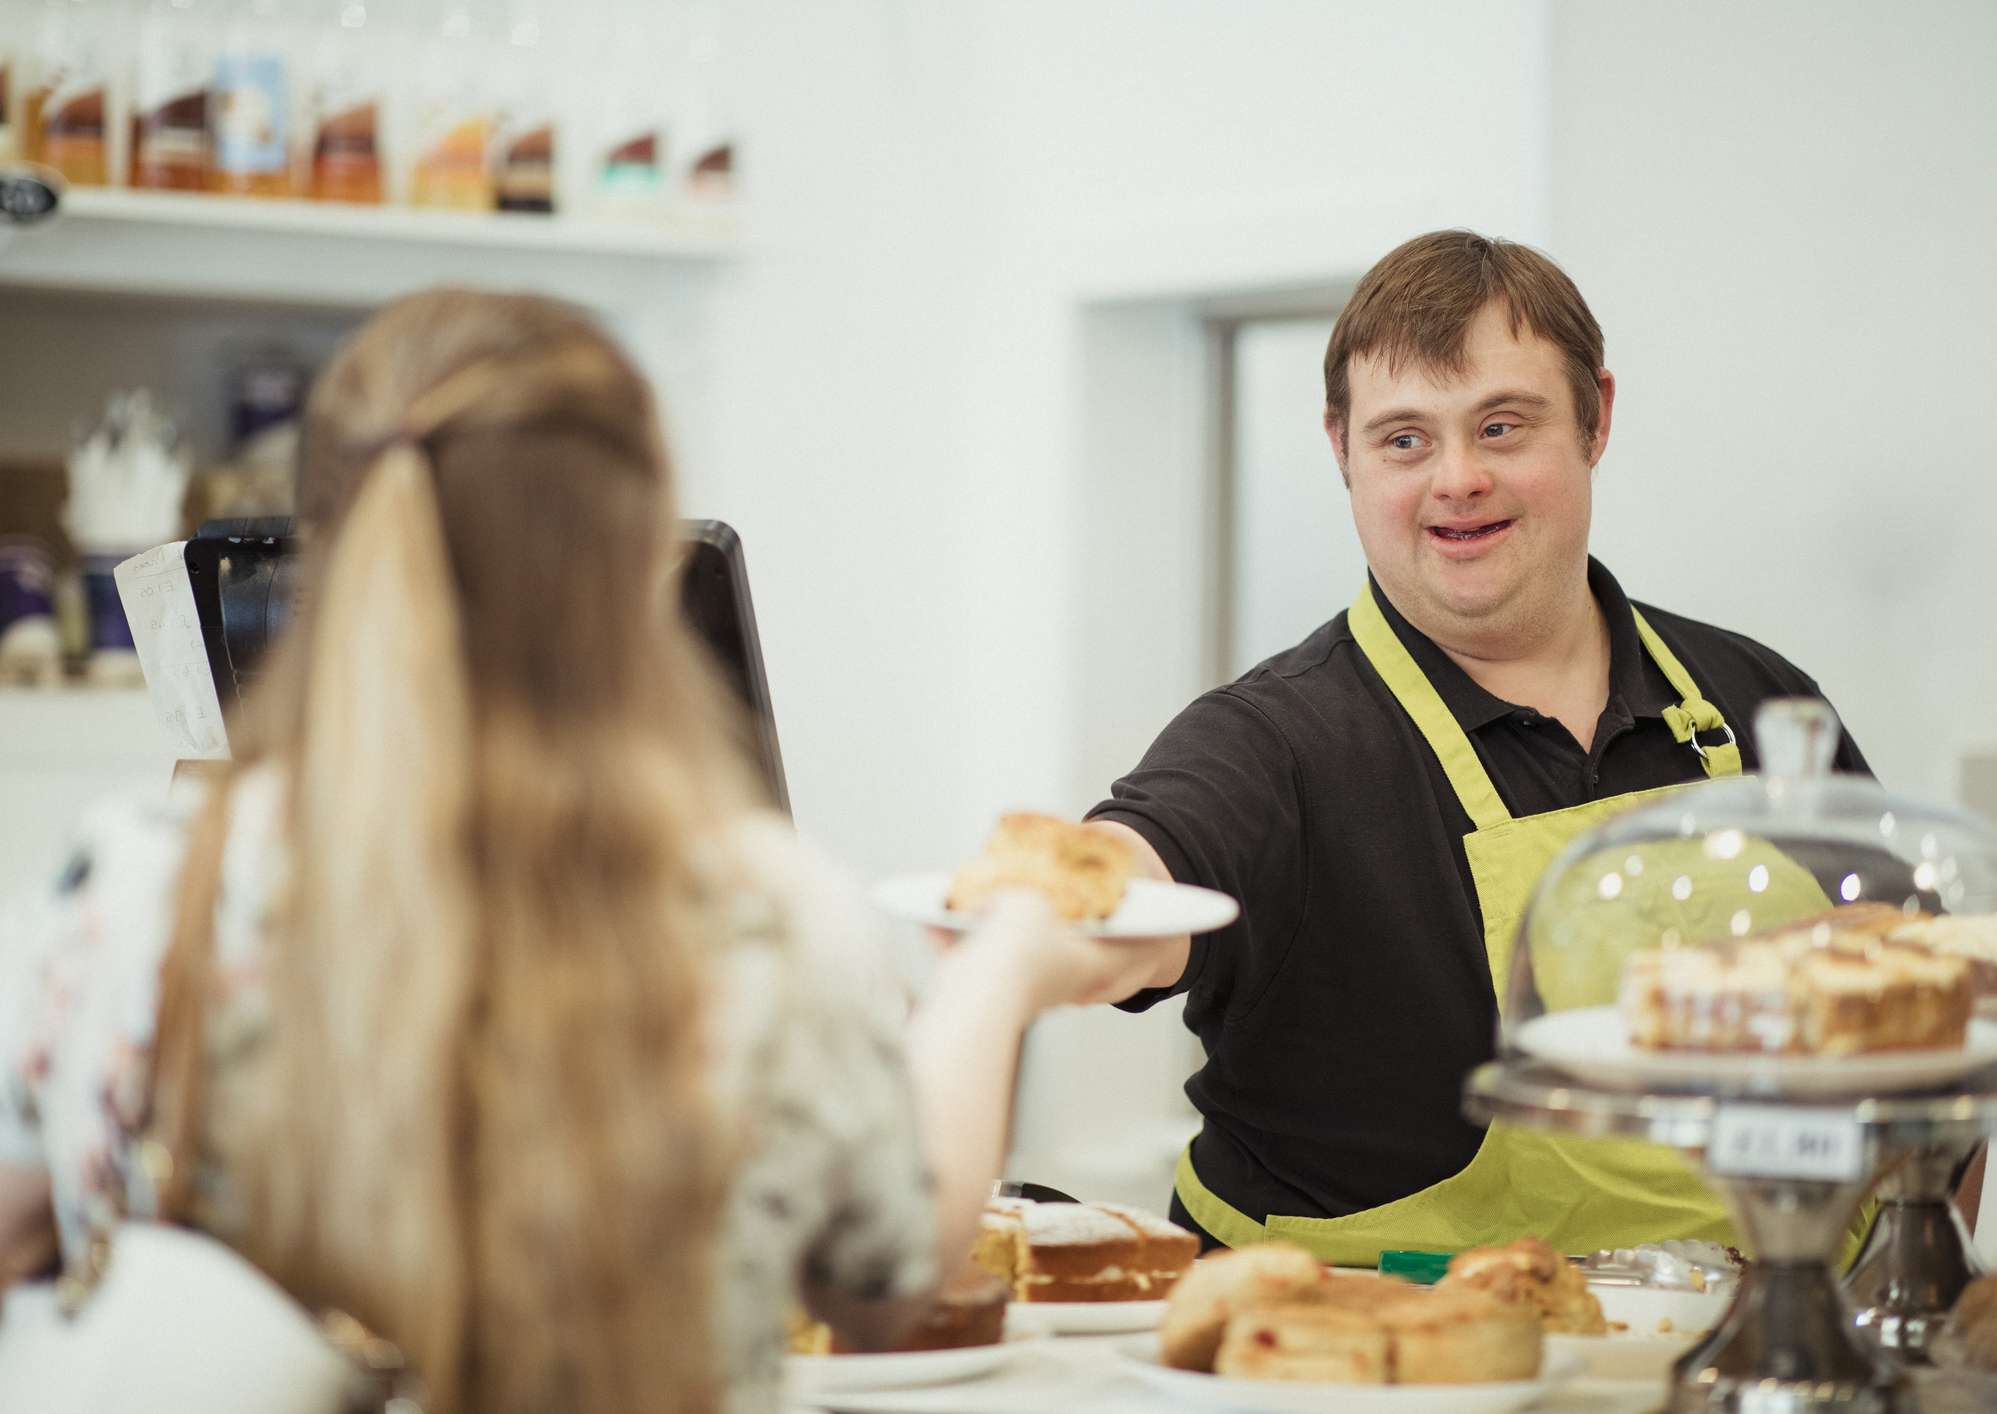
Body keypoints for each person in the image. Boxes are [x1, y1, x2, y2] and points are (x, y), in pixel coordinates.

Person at [0, 290, 1133, 1414]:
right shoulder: (765, 908)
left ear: (325, 544)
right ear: (647, 565)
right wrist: (997, 977)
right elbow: (886, 1284)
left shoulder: (138, 877)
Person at [1078, 230, 1871, 1264]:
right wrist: (1045, 923)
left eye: (1502, 426)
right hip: (1379, 1358)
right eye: (1404, 439)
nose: (1457, 479)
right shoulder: (1273, 742)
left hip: (1754, 1353)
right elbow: (1134, 881)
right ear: (1343, 451)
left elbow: (1946, 1044)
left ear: (1597, 419)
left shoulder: (1757, 700)